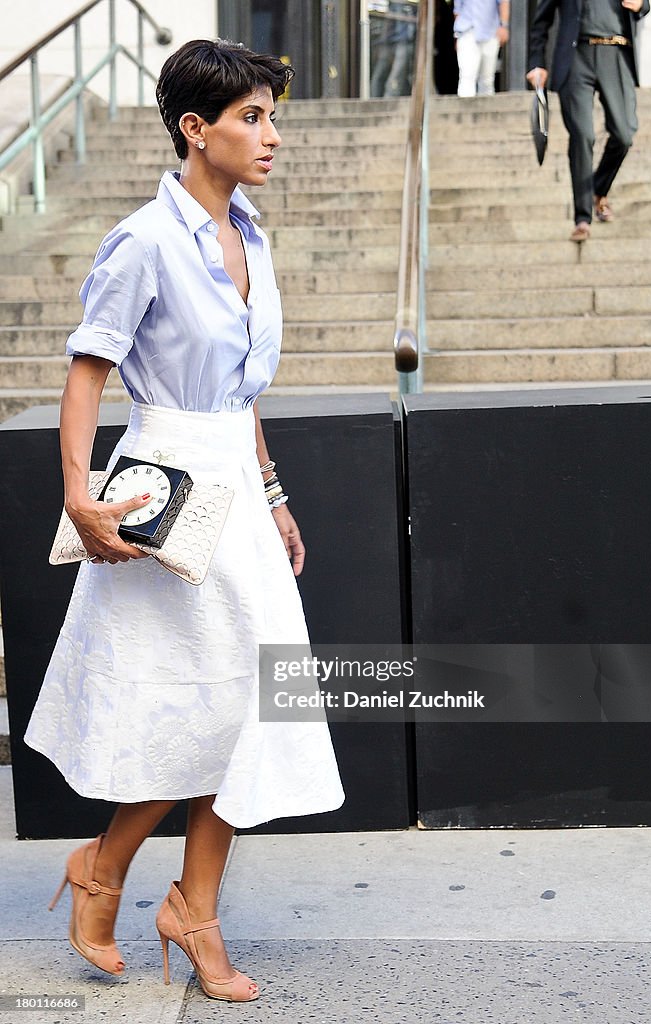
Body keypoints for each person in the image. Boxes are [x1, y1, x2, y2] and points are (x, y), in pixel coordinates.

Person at [24, 39, 344, 1002]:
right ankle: (113, 872)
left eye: (272, 116)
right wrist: (80, 495)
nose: (271, 135)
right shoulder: (143, 240)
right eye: (251, 117)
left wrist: (275, 493)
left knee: (256, 706)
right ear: (194, 129)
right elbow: (88, 371)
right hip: (165, 493)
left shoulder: (254, 237)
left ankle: (180, 904)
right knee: (203, 706)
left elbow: (241, 393)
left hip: (238, 495)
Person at [527, 0, 650, 242]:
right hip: (576, 57)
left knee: (624, 134)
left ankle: (596, 190)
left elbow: (644, 6)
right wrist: (536, 62)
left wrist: (642, 5)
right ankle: (582, 218)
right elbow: (541, 20)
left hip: (616, 52)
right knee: (583, 135)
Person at [453, 0, 510, 98]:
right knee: (467, 77)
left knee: (487, 80)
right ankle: (466, 112)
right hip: (467, 32)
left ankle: (487, 112)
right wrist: (458, 36)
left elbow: (504, 2)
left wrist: (503, 26)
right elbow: (457, 11)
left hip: (490, 32)